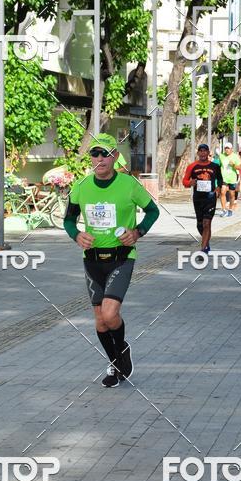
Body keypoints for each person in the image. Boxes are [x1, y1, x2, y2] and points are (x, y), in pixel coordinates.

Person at [64, 133, 159, 387]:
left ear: (115, 157)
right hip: (92, 260)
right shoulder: (81, 187)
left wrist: (137, 232)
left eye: (104, 153)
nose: (99, 159)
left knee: (109, 313)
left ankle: (119, 356)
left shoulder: (128, 185)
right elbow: (68, 220)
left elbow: (153, 210)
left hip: (121, 257)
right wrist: (77, 235)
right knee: (99, 319)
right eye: (94, 154)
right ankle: (117, 362)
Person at [182, 144, 223, 253]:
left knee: (207, 223)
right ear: (198, 153)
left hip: (210, 197)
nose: (203, 153)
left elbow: (220, 179)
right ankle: (206, 240)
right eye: (201, 151)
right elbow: (184, 181)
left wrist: (218, 188)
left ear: (208, 152)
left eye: (205, 151)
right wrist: (190, 183)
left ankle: (203, 248)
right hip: (198, 198)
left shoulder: (215, 166)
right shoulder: (192, 166)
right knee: (200, 224)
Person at [217, 143, 241, 217]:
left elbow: (240, 168)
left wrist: (233, 165)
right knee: (222, 192)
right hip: (224, 178)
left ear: (231, 149)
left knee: (232, 195)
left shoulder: (235, 156)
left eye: (228, 148)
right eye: (226, 148)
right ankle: (224, 210)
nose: (227, 150)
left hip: (232, 178)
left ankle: (230, 210)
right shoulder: (221, 156)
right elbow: (219, 165)